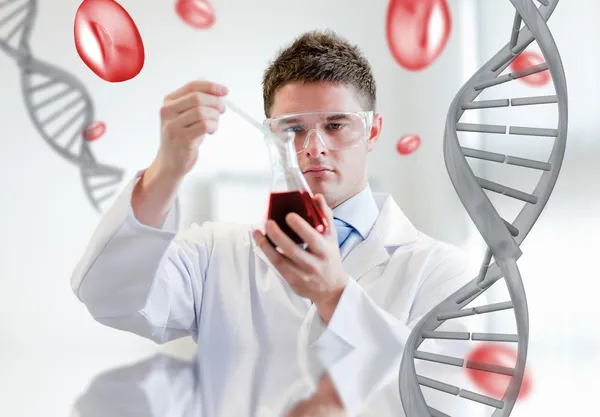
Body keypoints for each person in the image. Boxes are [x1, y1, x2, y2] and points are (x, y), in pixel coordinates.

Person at [70, 30, 474, 351]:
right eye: (294, 128)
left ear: (373, 130)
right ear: (271, 134)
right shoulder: (216, 255)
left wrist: (334, 297)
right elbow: (109, 296)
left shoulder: (440, 272)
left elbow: (440, 402)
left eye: (336, 125)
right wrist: (167, 169)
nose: (314, 146)